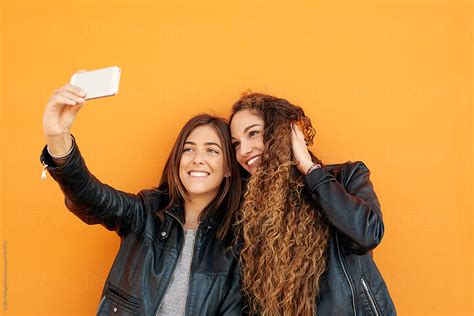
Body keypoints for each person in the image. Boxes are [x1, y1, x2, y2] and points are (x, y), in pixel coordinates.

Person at [40, 80, 243, 315]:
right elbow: (89, 196)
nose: (197, 158)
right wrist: (57, 137)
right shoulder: (146, 211)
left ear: (229, 168)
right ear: (177, 160)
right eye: (188, 149)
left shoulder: (237, 240)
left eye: (212, 150)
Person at [229, 92, 396, 315]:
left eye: (253, 133)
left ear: (284, 131)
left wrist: (309, 169)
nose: (244, 151)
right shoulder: (248, 211)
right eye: (236, 144)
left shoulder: (346, 177)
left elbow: (366, 234)